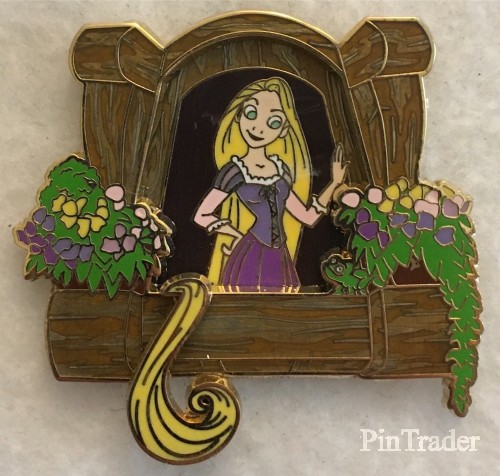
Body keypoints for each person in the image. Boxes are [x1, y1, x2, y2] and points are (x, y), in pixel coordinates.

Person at [194, 77, 347, 292]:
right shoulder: (234, 171)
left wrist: (334, 183)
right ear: (238, 116)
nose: (259, 128)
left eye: (273, 122)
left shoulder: (281, 171)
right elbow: (202, 215)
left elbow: (307, 217)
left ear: (284, 129)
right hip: (251, 253)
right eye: (251, 114)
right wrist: (233, 233)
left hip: (279, 256)